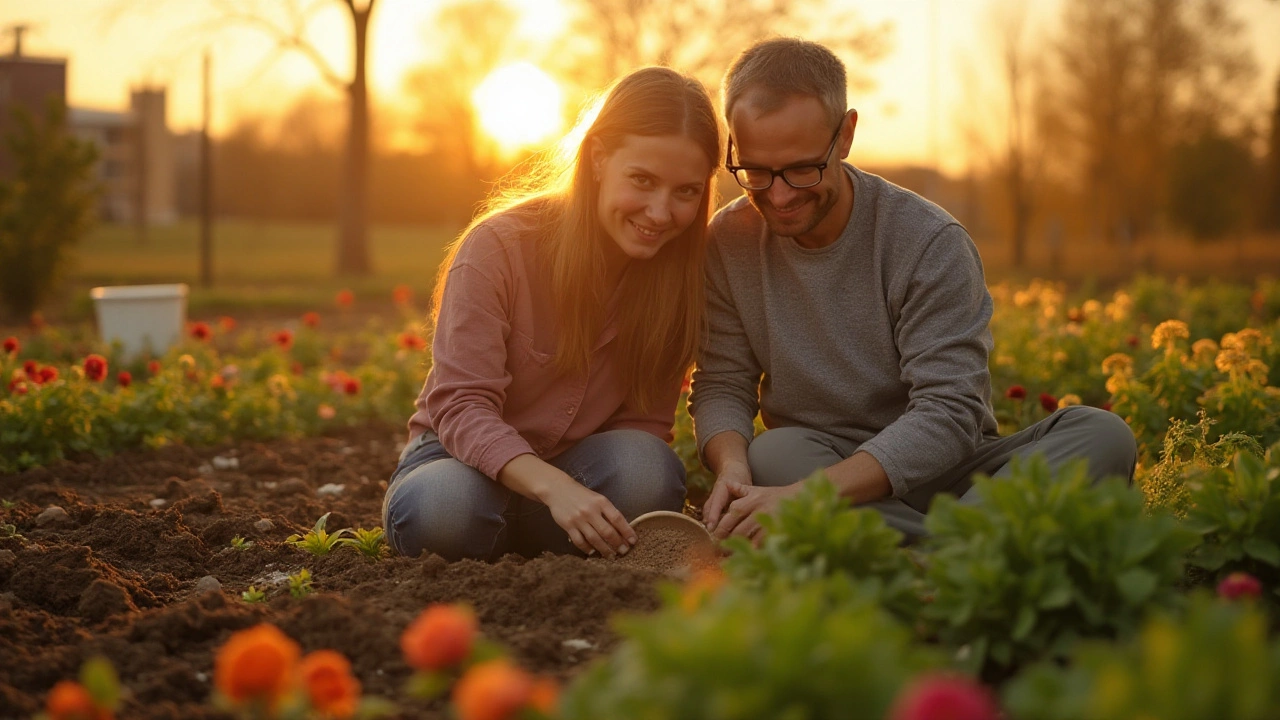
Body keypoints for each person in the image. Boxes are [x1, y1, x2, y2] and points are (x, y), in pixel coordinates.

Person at [689, 38, 1137, 542]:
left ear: (845, 135)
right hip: (815, 460)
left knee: (1103, 435)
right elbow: (723, 381)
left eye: (801, 168)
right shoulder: (728, 242)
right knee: (772, 454)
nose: (780, 194)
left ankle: (907, 552)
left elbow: (950, 412)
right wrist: (732, 468)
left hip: (948, 475)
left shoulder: (926, 241)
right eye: (755, 171)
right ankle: (972, 554)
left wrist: (807, 500)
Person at [384, 66, 721, 561]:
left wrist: (577, 490)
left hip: (581, 475)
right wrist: (552, 489)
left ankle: (534, 541)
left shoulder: (678, 278)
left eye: (685, 192)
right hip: (460, 462)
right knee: (447, 511)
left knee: (647, 471)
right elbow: (460, 407)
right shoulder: (499, 247)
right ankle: (517, 538)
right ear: (600, 158)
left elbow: (641, 427)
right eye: (643, 180)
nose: (659, 212)